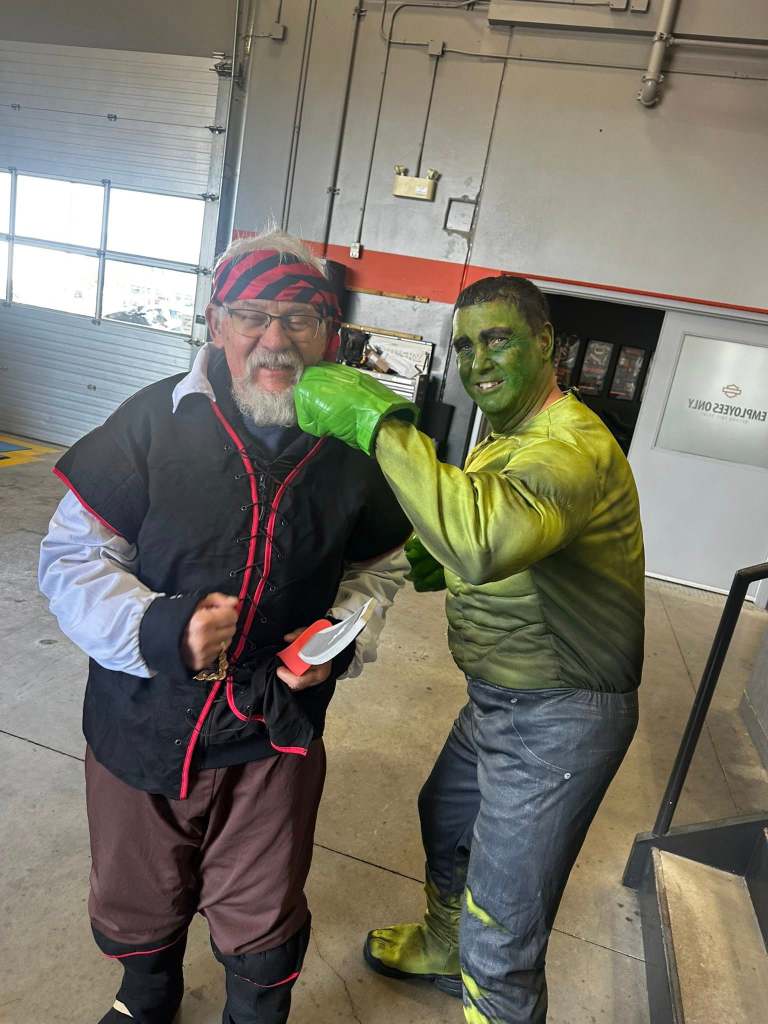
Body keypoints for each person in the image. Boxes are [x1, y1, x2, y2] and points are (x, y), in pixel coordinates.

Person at [38, 231, 411, 1024]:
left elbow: (378, 574)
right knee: (136, 887)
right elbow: (71, 558)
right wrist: (155, 630)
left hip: (272, 727)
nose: (275, 339)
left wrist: (336, 639)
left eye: (298, 319)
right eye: (252, 315)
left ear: (329, 335)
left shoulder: (357, 447)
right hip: (142, 715)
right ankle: (147, 998)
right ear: (216, 324)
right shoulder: (150, 422)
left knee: (263, 906)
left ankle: (254, 1014)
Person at [293, 274, 645, 1024]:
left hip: (560, 715)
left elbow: (483, 541)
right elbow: (474, 532)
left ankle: (486, 980)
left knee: (503, 931)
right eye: (463, 346)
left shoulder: (572, 446)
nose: (477, 361)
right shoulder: (504, 439)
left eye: (498, 340)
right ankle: (445, 945)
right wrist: (421, 557)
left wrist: (382, 425)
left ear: (545, 344)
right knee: (448, 818)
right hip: (499, 699)